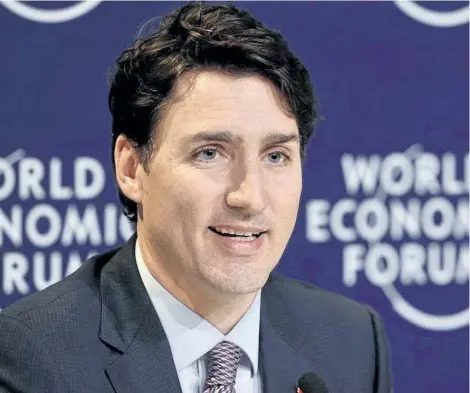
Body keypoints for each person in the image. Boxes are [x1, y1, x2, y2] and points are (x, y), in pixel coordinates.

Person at [0, 2, 392, 392]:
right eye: (210, 153)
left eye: (276, 156)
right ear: (132, 168)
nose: (249, 197)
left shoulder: (353, 342)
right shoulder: (31, 358)